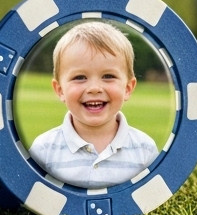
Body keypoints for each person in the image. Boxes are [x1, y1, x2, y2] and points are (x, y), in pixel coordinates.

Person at [28, 22, 158, 188]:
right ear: (60, 90)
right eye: (80, 77)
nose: (94, 88)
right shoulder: (44, 150)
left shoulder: (145, 149)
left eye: (108, 76)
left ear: (127, 88)